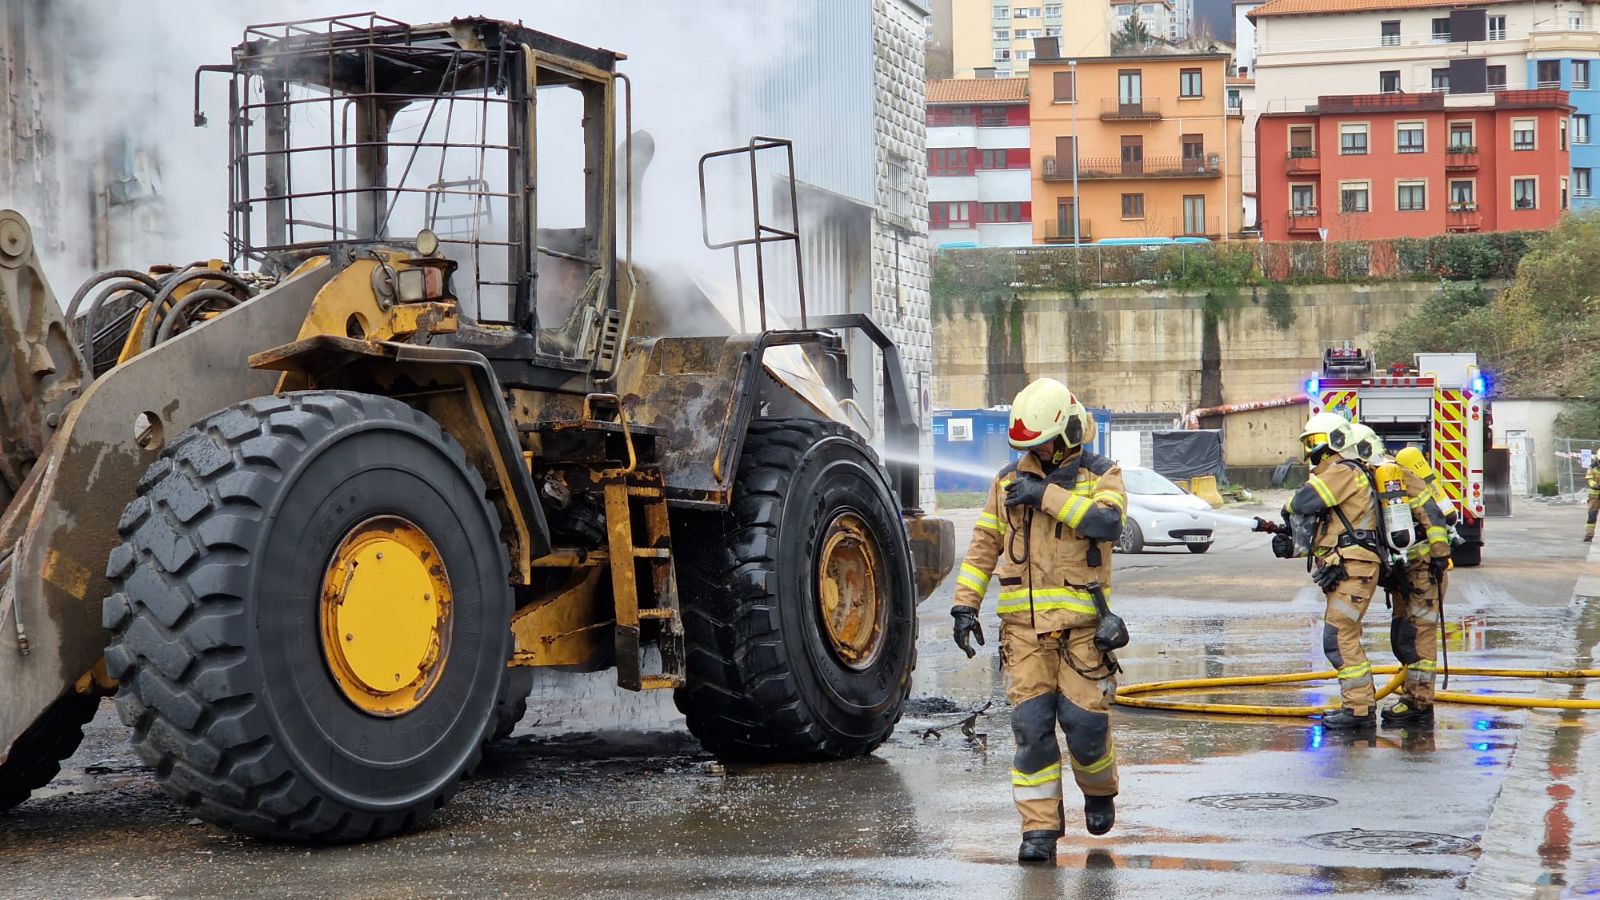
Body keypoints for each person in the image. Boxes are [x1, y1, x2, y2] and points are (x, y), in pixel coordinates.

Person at [951, 376, 1127, 864]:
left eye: (1044, 442)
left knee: (1084, 729)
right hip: (1024, 636)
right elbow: (983, 545)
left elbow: (1107, 523)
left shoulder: (1102, 474)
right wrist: (965, 605)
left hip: (1083, 634)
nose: (1037, 452)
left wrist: (1044, 496)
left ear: (1067, 433)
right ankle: (1039, 829)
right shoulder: (1007, 482)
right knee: (1031, 731)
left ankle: (1099, 791)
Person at [1271, 412, 1384, 730]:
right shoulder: (1346, 473)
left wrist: (1288, 507)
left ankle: (1358, 711)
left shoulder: (1343, 470)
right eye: (1308, 443)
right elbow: (1329, 528)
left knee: (1339, 638)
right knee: (1344, 636)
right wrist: (1293, 543)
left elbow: (1305, 500)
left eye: (1315, 442)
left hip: (1354, 567)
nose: (1312, 450)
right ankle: (1360, 706)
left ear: (1335, 440)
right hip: (1350, 566)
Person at [1345, 424, 1451, 726]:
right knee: (1403, 638)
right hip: (1405, 574)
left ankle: (1419, 704)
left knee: (1418, 638)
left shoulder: (1396, 475)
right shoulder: (1371, 480)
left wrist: (1439, 555)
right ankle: (1412, 698)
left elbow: (1432, 514)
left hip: (1424, 571)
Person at [1587, 456, 1599, 543]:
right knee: (1592, 516)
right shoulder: (1592, 467)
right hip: (1594, 495)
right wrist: (1594, 485)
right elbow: (1589, 478)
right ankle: (1589, 535)